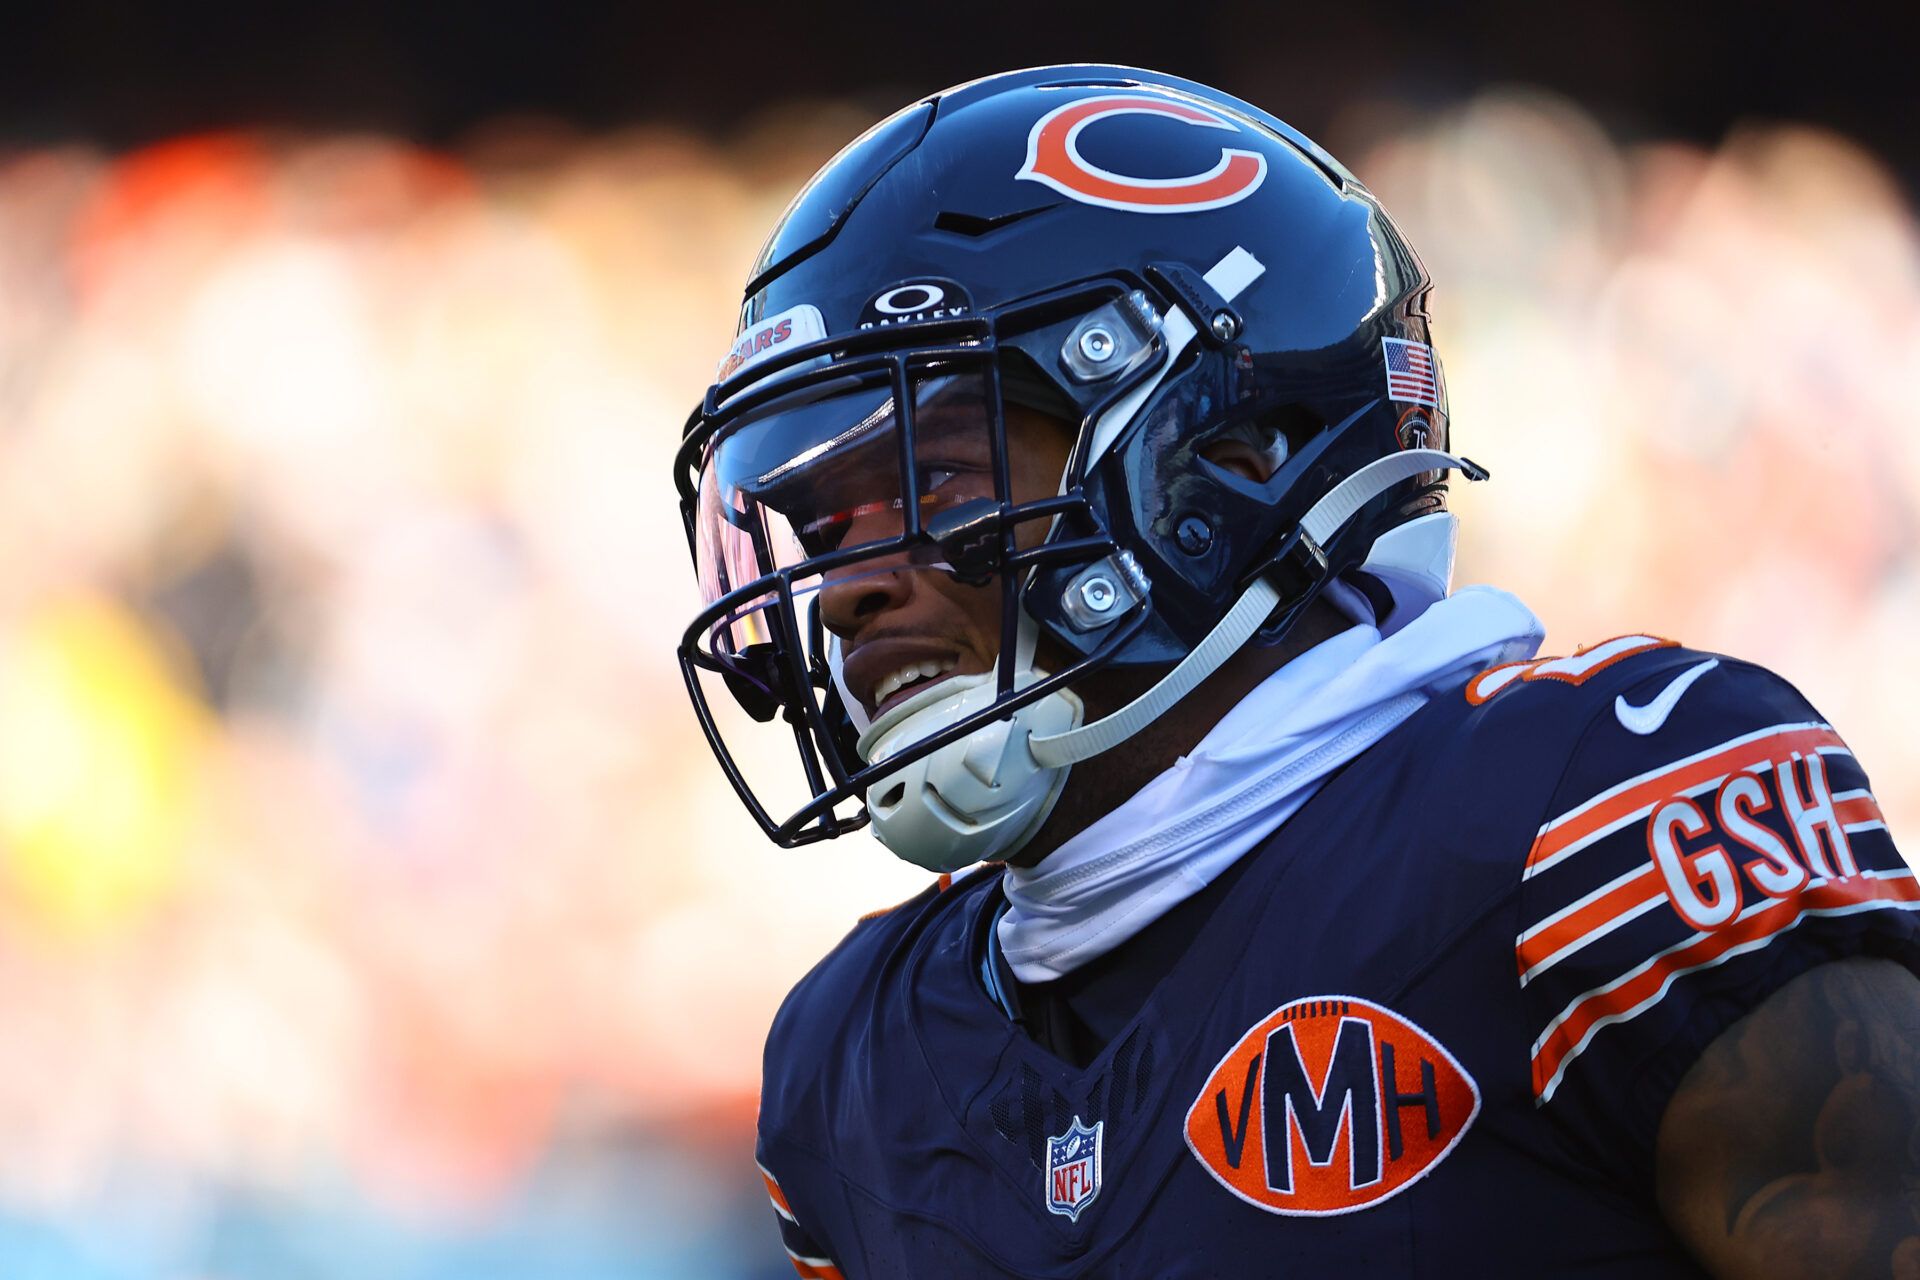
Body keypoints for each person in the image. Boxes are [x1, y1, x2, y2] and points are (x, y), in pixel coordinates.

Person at [672, 65, 1920, 1278]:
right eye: (823, 529)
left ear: (1234, 449)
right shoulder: (854, 1060)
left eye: (935, 478)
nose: (845, 589)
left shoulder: (1581, 816)